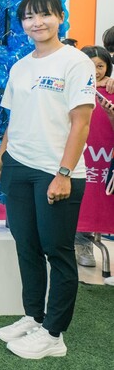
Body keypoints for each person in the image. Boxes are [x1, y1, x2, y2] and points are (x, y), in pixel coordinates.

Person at [0, 0, 95, 360]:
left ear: (60, 17)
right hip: (18, 166)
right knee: (26, 245)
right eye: (30, 17)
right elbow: (15, 122)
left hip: (56, 171)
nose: (37, 22)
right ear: (23, 25)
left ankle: (54, 334)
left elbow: (82, 122)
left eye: (45, 15)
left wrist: (63, 173)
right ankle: (34, 316)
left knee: (56, 251)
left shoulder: (75, 62)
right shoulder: (21, 66)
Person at [74, 46, 114, 267]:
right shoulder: (71, 88)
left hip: (105, 161)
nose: (96, 71)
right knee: (80, 199)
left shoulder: (111, 90)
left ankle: (85, 240)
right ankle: (80, 241)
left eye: (100, 66)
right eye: (90, 65)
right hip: (78, 158)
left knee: (99, 199)